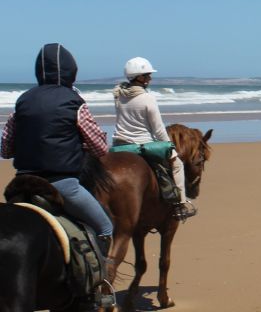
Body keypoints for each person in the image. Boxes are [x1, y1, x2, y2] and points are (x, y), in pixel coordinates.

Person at [0, 43, 114, 258]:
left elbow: (5, 149)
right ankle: (101, 287)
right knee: (105, 228)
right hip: (63, 185)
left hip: (21, 185)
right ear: (72, 71)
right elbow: (99, 148)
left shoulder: (23, 100)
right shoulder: (74, 101)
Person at [112, 56, 196, 221]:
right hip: (142, 145)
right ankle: (180, 204)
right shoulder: (147, 98)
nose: (150, 78)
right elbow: (158, 129)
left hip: (119, 145)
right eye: (148, 75)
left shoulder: (119, 95)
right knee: (177, 164)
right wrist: (169, 146)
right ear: (140, 77)